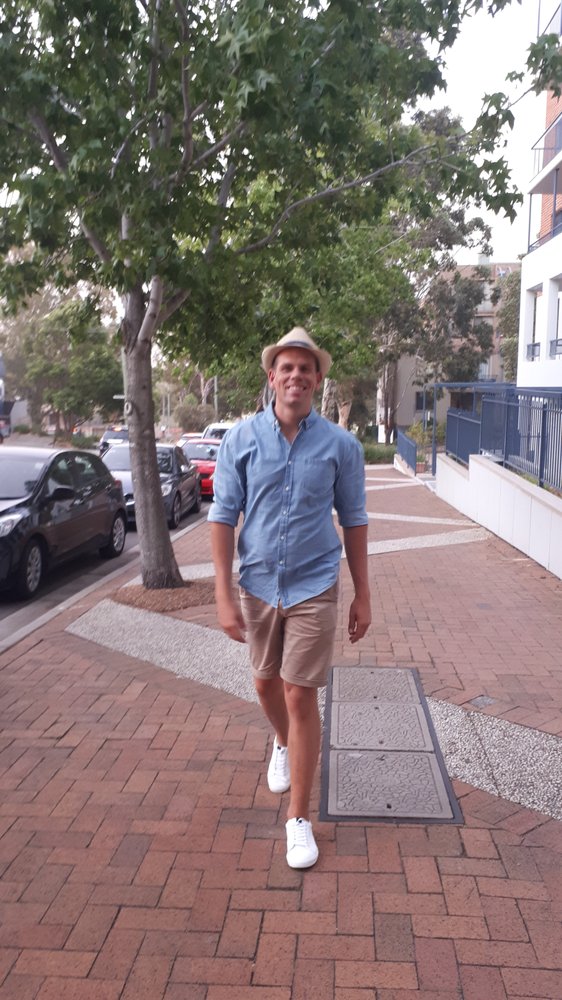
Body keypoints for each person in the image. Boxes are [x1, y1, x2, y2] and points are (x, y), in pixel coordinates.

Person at [208, 327, 371, 868]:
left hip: (314, 584)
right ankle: (282, 741)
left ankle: (298, 819)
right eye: (287, 367)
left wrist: (363, 594)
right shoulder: (240, 439)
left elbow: (354, 519)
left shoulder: (341, 447)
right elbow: (223, 516)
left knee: (301, 694)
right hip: (257, 582)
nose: (296, 376)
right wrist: (222, 593)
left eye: (306, 368)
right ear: (272, 376)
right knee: (264, 683)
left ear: (317, 379)